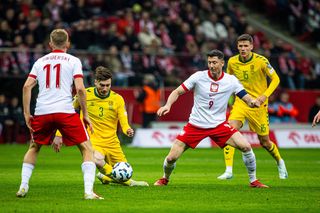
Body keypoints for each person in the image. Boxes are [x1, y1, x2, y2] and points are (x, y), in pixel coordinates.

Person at [154, 49, 268, 188]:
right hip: (195, 125)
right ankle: (165, 178)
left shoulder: (231, 81)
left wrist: (253, 102)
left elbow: (245, 96)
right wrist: (168, 105)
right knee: (171, 158)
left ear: (222, 63)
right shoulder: (198, 77)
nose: (212, 66)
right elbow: (177, 91)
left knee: (246, 146)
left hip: (218, 126)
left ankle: (253, 181)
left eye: (214, 62)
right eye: (209, 62)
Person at [16, 29, 103, 200]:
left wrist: (27, 113)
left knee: (34, 147)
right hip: (65, 111)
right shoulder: (73, 60)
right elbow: (79, 88)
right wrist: (85, 113)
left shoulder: (40, 61)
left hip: (42, 111)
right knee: (86, 149)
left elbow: (27, 86)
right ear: (68, 44)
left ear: (50, 44)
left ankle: (23, 187)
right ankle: (88, 192)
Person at [53, 66, 148, 187]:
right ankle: (129, 183)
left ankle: (106, 177)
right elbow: (67, 113)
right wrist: (58, 134)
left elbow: (123, 120)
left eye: (108, 85)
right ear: (95, 82)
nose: (105, 88)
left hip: (112, 142)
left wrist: (127, 129)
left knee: (124, 171)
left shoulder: (117, 99)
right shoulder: (84, 95)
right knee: (96, 159)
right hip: (93, 141)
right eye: (102, 85)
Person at [217, 34, 288, 180]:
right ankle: (229, 170)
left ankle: (280, 162)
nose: (243, 49)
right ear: (237, 47)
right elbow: (228, 82)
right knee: (229, 131)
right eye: (240, 46)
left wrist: (264, 96)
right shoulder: (232, 61)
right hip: (241, 102)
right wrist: (227, 100)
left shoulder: (261, 61)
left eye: (245, 46)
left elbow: (276, 79)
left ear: (251, 46)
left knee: (265, 142)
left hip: (258, 105)